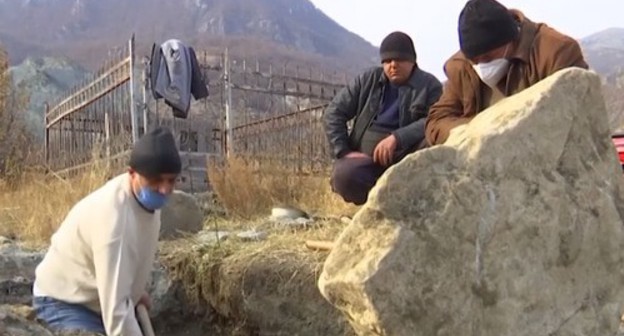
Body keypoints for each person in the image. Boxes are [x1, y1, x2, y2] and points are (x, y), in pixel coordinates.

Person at [32, 127, 182, 335]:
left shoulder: (144, 201)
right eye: (156, 180)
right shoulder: (115, 220)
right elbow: (117, 313)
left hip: (98, 300)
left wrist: (135, 293)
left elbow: (124, 271)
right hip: (64, 301)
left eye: (171, 180)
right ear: (132, 174)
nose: (165, 189)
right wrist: (125, 300)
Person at [425, 0, 589, 146]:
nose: (482, 65)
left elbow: (573, 117)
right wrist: (473, 131)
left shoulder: (556, 52)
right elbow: (437, 121)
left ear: (511, 41)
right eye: (475, 60)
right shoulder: (461, 67)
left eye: (489, 57)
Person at [324, 31, 443, 205]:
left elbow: (435, 119)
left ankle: (409, 202)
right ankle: (375, 206)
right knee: (344, 175)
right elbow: (333, 113)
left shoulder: (429, 85)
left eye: (400, 59)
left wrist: (397, 138)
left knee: (435, 138)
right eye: (387, 61)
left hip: (407, 159)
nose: (393, 65)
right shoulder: (367, 80)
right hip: (366, 162)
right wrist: (344, 151)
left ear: (412, 61)